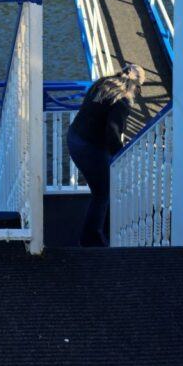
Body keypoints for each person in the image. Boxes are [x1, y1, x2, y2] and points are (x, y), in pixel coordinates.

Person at [67, 64, 146, 247]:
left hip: (74, 138)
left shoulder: (102, 83)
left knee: (103, 189)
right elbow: (112, 131)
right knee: (103, 193)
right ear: (134, 84)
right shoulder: (123, 100)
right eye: (139, 87)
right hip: (89, 147)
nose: (137, 92)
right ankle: (90, 239)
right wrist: (120, 155)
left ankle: (105, 226)